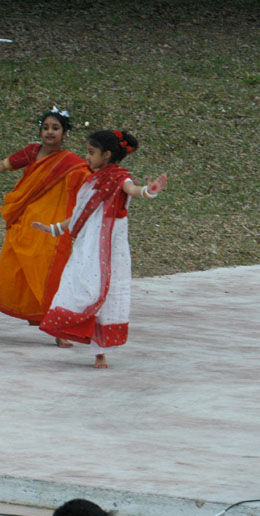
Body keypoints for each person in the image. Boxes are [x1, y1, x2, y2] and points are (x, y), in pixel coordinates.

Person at [34, 129, 167, 369]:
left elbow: (134, 191)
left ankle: (101, 353)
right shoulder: (93, 181)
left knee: (107, 293)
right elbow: (80, 214)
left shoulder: (120, 179)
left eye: (91, 152)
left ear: (106, 155)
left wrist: (150, 190)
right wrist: (53, 228)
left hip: (110, 249)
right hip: (87, 248)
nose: (87, 157)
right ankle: (73, 330)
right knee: (82, 287)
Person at [0, 107, 91, 347]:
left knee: (52, 274)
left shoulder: (72, 163)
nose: (50, 132)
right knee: (10, 271)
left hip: (51, 227)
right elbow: (4, 165)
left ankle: (58, 329)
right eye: (46, 127)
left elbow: (89, 182)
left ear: (65, 133)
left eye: (55, 128)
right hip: (24, 222)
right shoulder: (32, 152)